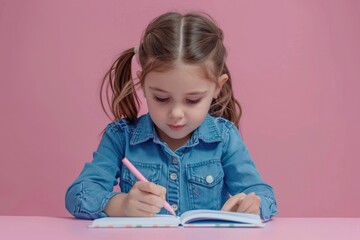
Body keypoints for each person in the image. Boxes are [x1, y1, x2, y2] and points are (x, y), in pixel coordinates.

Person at [65, 12, 278, 221]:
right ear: (144, 85)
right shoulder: (121, 137)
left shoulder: (224, 138)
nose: (176, 114)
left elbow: (263, 194)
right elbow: (80, 194)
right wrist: (122, 204)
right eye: (161, 98)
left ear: (217, 88)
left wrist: (252, 206)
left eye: (192, 100)